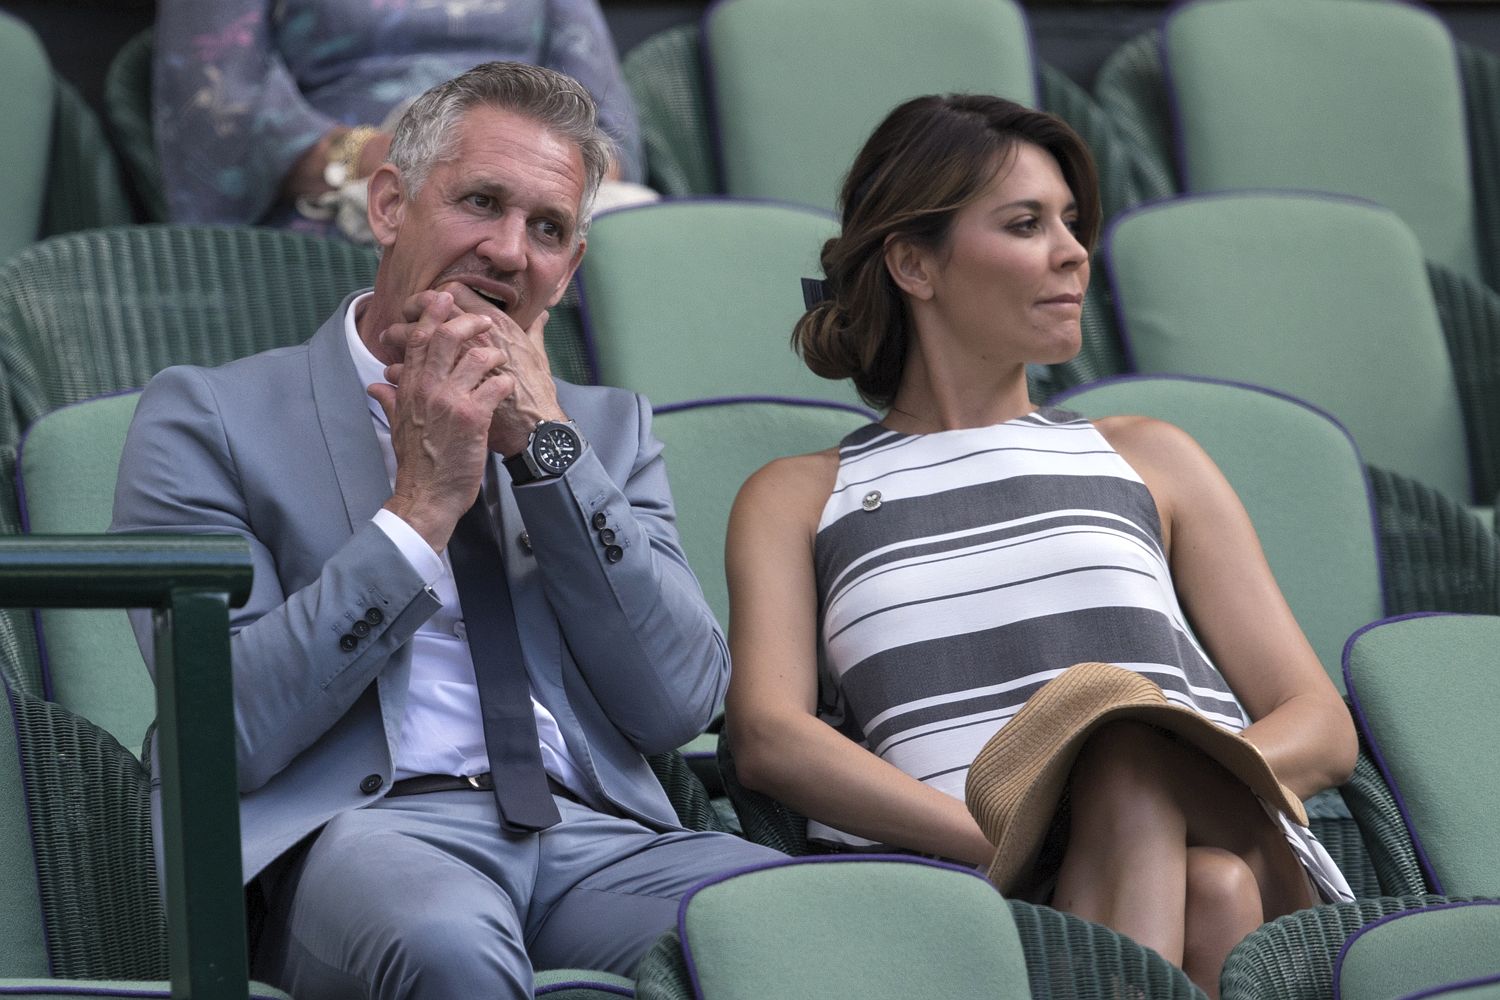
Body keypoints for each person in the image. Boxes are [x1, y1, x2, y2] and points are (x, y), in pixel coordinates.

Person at [112, 61, 775, 1000]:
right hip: (361, 838)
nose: (509, 251)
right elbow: (224, 730)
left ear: (570, 267)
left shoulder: (607, 429)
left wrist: (549, 457)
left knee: (800, 922)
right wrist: (419, 512)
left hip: (596, 839)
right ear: (389, 206)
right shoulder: (210, 419)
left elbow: (675, 703)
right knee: (444, 945)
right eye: (479, 203)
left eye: (547, 228)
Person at [723, 94, 1357, 998]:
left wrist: (1116, 792)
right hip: (969, 891)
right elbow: (767, 738)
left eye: (1072, 222)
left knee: (1126, 751)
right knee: (1210, 892)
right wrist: (1016, 832)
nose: (1073, 252)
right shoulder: (796, 496)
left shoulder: (1149, 454)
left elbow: (1319, 723)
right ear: (913, 263)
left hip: (1220, 828)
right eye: (1025, 224)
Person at [153, 0, 645, 237]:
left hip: (536, 164)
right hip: (355, 178)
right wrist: (389, 155)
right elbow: (216, 98)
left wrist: (571, 167)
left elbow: (605, 119)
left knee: (648, 251)